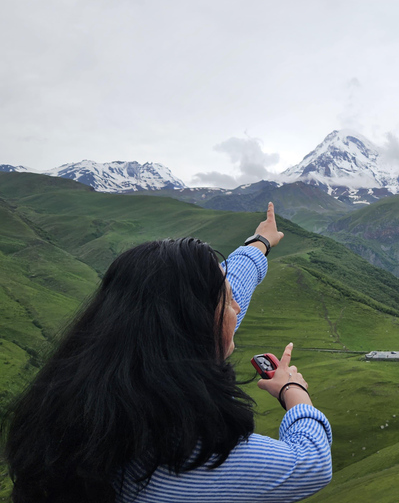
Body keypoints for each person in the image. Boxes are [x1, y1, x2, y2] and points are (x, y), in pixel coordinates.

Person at [3, 203, 332, 503]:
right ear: (194, 326)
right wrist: (294, 391)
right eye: (225, 302)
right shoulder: (192, 452)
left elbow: (227, 295)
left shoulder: (71, 407)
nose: (236, 307)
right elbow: (311, 464)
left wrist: (259, 242)